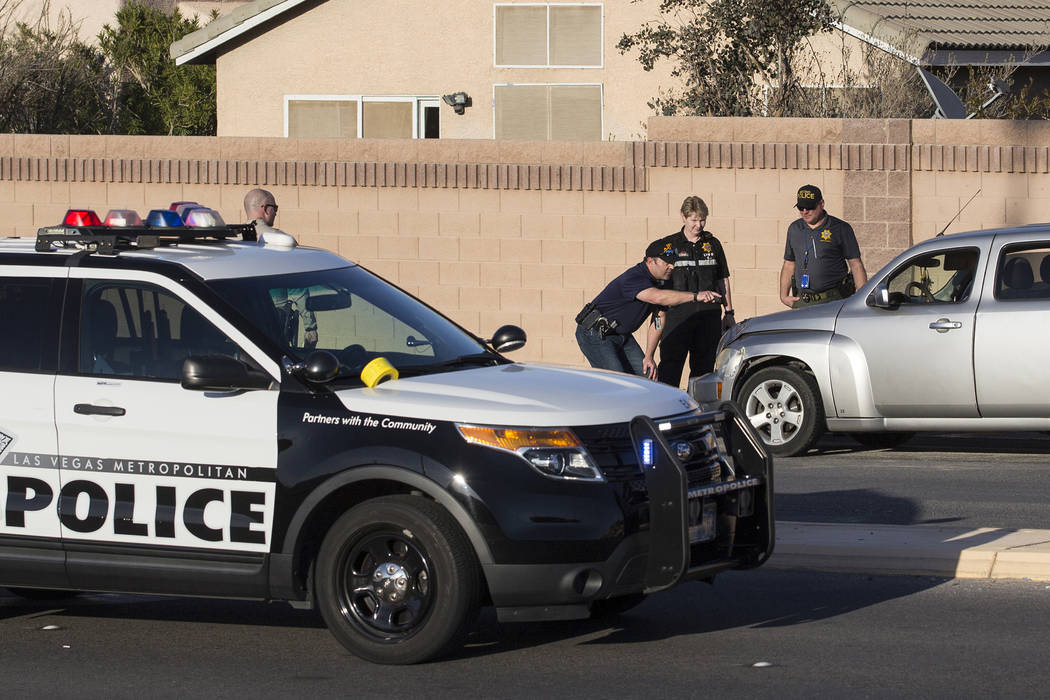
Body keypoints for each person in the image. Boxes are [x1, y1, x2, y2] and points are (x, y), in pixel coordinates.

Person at [575, 240, 721, 377]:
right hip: (595, 334)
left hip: (622, 336)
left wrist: (649, 356)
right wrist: (696, 296)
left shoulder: (664, 281)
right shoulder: (634, 278)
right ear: (651, 261)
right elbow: (657, 297)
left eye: (673, 262)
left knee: (648, 377)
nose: (672, 266)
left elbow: (659, 318)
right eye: (667, 263)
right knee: (617, 381)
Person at [653, 196, 733, 387]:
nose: (699, 225)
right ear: (683, 217)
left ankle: (699, 412)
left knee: (703, 371)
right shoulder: (669, 245)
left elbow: (723, 279)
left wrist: (729, 312)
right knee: (670, 369)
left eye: (702, 219)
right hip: (677, 318)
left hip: (708, 317)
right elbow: (658, 281)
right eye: (694, 220)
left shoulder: (713, 244)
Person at [243, 189, 318, 348]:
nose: (276, 213)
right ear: (265, 208)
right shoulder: (281, 242)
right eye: (274, 208)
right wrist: (310, 328)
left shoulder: (233, 239)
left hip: (243, 320)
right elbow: (298, 290)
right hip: (276, 318)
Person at [780, 184, 868, 309]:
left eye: (810, 207)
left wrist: (861, 298)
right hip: (802, 301)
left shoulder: (841, 228)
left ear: (821, 204)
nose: (805, 211)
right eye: (801, 207)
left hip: (833, 300)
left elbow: (855, 264)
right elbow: (789, 264)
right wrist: (783, 295)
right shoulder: (794, 229)